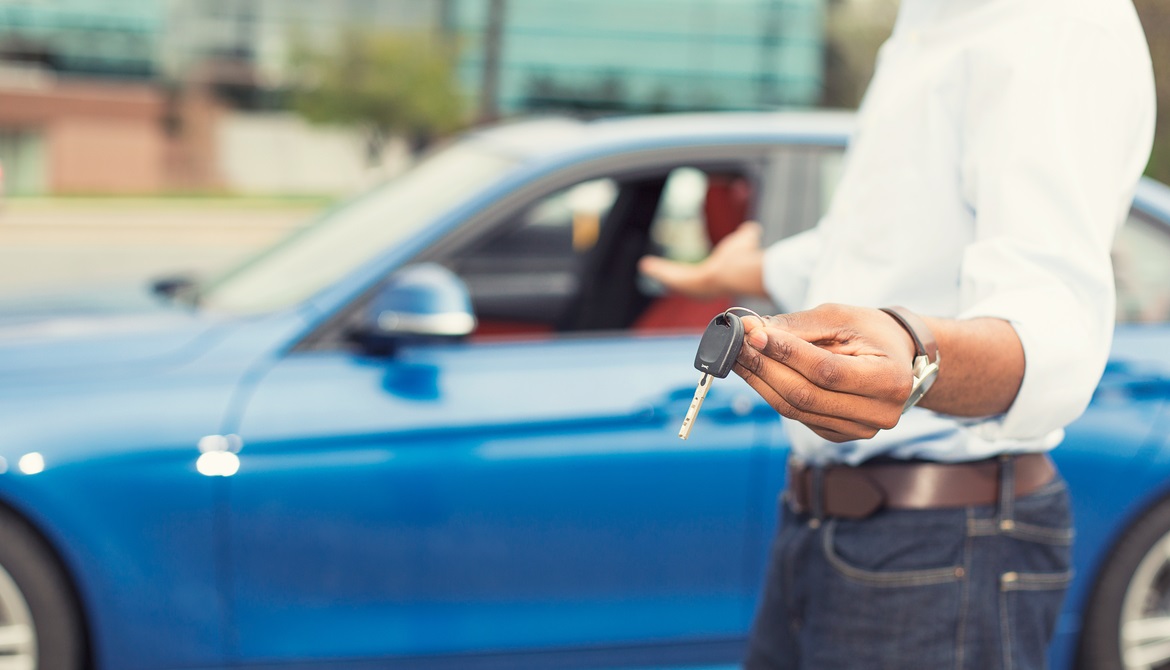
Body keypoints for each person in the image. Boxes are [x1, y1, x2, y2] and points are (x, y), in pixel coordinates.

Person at [639, 0, 1156, 667]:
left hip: (945, 545)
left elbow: (1055, 326)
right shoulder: (923, 22)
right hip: (819, 528)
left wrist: (917, 352)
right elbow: (887, 245)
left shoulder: (1058, 24)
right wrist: (758, 267)